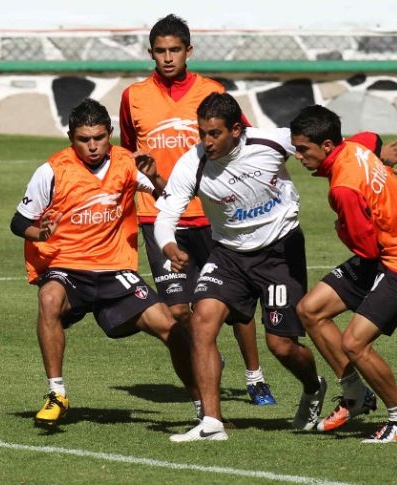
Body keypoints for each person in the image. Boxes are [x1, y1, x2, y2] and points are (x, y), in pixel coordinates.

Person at [150, 92, 328, 441]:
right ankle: (211, 423)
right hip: (229, 255)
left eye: (214, 133)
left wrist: (373, 156)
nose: (206, 141)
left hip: (280, 251)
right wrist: (168, 245)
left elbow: (328, 147)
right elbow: (166, 216)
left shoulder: (272, 141)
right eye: (202, 133)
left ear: (236, 129)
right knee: (202, 322)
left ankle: (313, 386)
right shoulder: (192, 163)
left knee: (281, 346)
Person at [120, 13, 277, 407]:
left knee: (237, 308)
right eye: (160, 50)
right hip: (158, 214)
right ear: (150, 53)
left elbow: (244, 136)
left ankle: (255, 377)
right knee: (178, 310)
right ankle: (208, 360)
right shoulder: (133, 96)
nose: (168, 57)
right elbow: (127, 149)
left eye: (175, 49)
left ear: (188, 51)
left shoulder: (211, 91)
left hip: (213, 214)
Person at [9, 98, 197, 426]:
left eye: (99, 138)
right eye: (84, 139)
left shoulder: (127, 162)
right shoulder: (52, 171)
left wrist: (156, 177)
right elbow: (18, 222)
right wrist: (41, 233)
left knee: (170, 327)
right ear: (71, 137)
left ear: (109, 133)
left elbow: (169, 200)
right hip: (66, 266)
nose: (93, 146)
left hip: (114, 270)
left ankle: (204, 407)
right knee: (49, 298)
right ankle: (56, 394)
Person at [290, 105, 397, 443]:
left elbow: (365, 248)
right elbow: (371, 138)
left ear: (328, 145)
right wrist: (382, 158)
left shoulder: (343, 189)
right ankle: (356, 395)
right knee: (310, 310)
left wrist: (341, 227)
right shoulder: (354, 146)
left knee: (354, 342)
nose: (298, 156)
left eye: (303, 149)